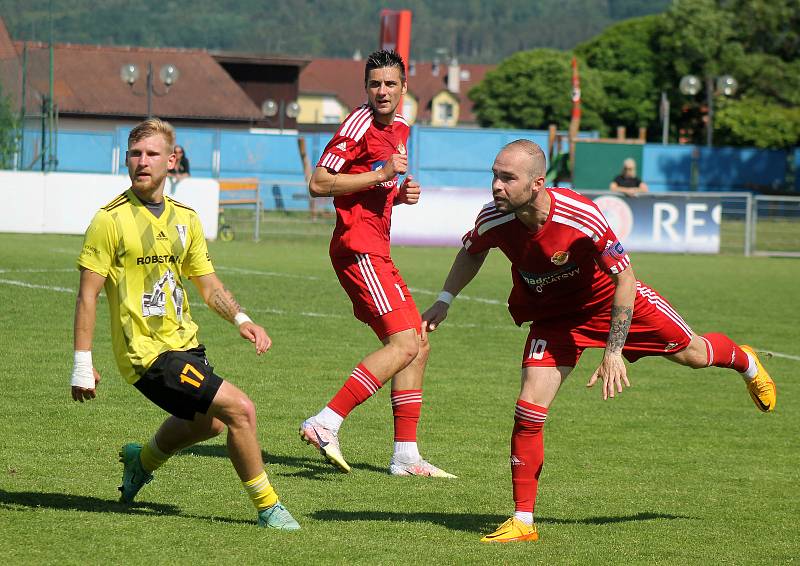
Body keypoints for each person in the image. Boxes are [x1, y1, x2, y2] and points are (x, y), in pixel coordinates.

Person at [421, 139, 777, 543]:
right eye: (494, 175)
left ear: (538, 183)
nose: (496, 186)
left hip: (612, 302)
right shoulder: (493, 218)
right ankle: (523, 521)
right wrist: (444, 301)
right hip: (555, 318)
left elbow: (624, 277)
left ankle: (745, 361)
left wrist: (613, 351)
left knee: (694, 354)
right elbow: (472, 252)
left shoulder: (581, 215)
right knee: (528, 409)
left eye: (507, 178)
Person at [70, 118, 299, 531]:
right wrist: (82, 362)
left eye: (152, 154)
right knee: (241, 410)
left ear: (171, 160)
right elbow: (87, 294)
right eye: (135, 154)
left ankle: (140, 462)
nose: (142, 162)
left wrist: (241, 318)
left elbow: (207, 285)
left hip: (184, 344)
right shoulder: (110, 220)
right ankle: (269, 507)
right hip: (147, 354)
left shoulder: (186, 219)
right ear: (126, 159)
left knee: (207, 423)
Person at [301, 49, 454, 478]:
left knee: (418, 343)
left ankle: (405, 455)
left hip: (377, 247)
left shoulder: (402, 127)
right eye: (374, 84)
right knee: (405, 343)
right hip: (358, 248)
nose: (381, 91)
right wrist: (381, 174)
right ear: (365, 88)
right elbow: (318, 182)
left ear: (404, 88)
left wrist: (396, 194)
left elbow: (376, 183)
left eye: (390, 84)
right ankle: (325, 422)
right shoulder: (358, 124)